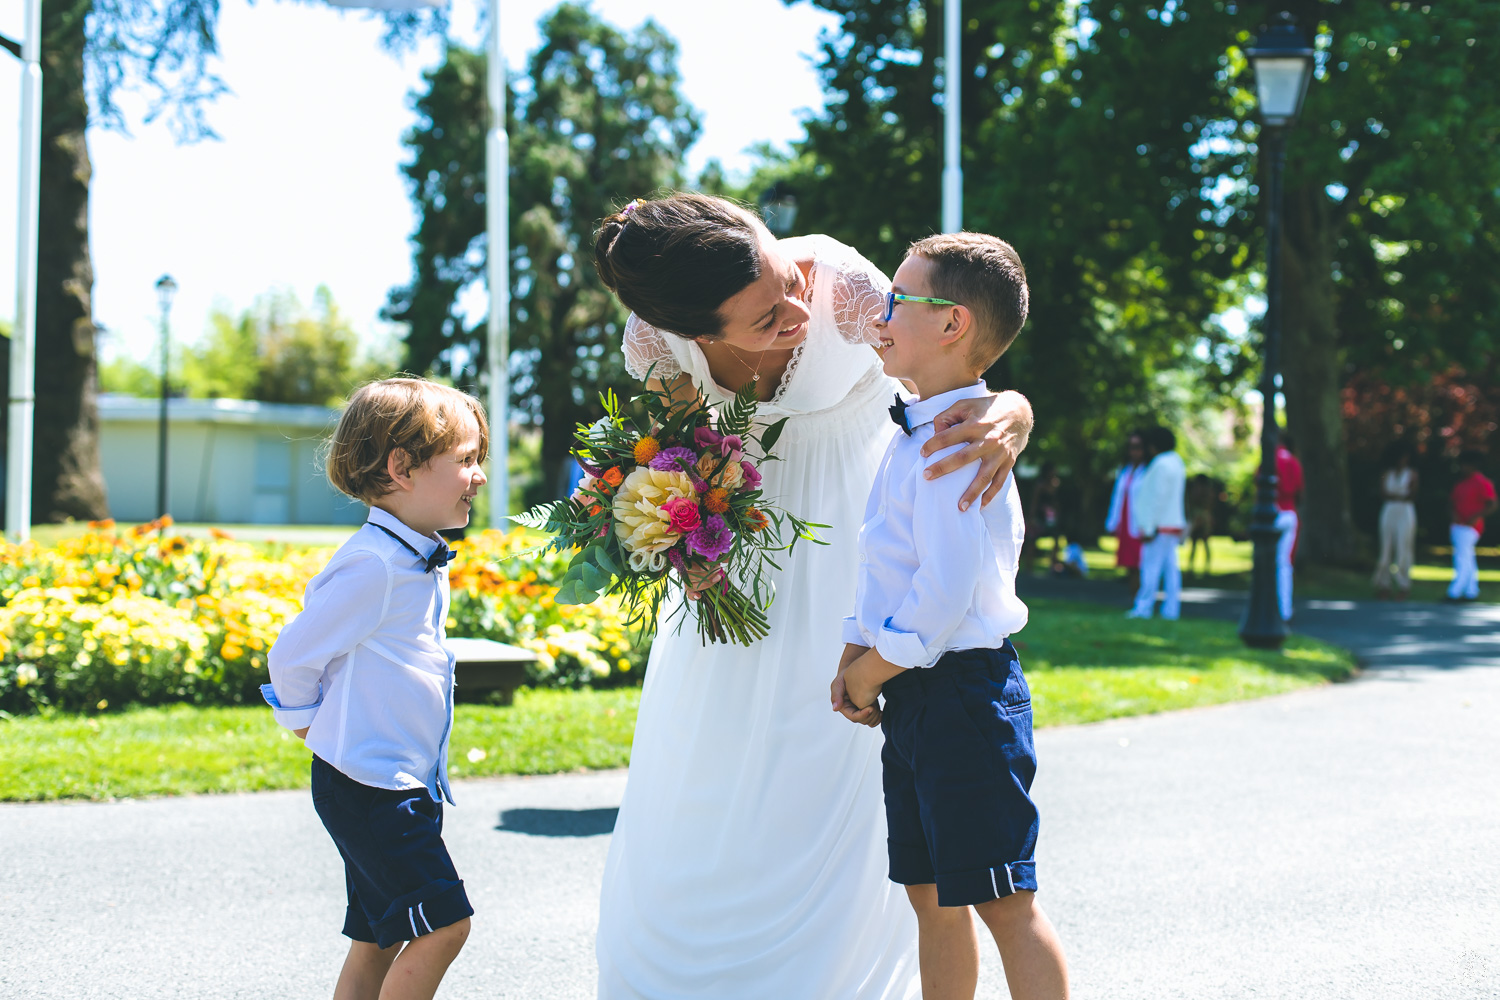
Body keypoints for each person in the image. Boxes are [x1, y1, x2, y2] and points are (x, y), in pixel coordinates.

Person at [591, 192, 1035, 999]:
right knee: (712, 759)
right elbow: (688, 453)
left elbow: (960, 360)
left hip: (855, 544)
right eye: (766, 318)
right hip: (741, 558)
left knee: (839, 762)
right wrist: (676, 534)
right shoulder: (657, 339)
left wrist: (1015, 410)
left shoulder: (847, 287)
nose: (796, 310)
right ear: (700, 331)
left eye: (787, 282)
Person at [835, 232, 1069, 1000]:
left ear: (951, 322)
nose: (880, 315)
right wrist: (854, 648)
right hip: (917, 691)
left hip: (963, 694)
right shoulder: (913, 428)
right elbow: (885, 560)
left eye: (897, 299)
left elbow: (945, 592)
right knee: (931, 899)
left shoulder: (960, 441)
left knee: (1004, 898)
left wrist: (871, 671)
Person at [261, 378, 487, 1000]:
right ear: (402, 467)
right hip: (370, 784)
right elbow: (293, 656)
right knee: (444, 925)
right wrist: (306, 722)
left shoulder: (413, 555)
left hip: (398, 778)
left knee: (381, 937)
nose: (479, 476)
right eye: (466, 460)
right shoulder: (375, 565)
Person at [1127, 427, 1187, 620]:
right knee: (1171, 571)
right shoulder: (1177, 462)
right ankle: (1171, 609)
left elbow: (1155, 498)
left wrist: (1148, 527)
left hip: (1158, 526)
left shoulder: (1160, 464)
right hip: (1172, 524)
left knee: (1150, 568)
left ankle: (1143, 607)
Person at [1447, 450, 1496, 602]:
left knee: (1462, 557)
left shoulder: (1482, 482)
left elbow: (1492, 503)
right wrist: (1454, 516)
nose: (1463, 468)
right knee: (1467, 558)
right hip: (1458, 525)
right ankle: (1471, 591)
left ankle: (1455, 591)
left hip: (1471, 527)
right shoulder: (1461, 484)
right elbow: (1452, 503)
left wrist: (1476, 516)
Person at [1372, 442, 1419, 599]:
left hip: (1405, 511)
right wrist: (1398, 496)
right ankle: (1383, 583)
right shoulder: (1387, 473)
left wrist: (1397, 496)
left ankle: (1403, 584)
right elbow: (1383, 493)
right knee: (1386, 547)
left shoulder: (1412, 474)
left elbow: (1412, 494)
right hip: (1389, 510)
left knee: (1403, 546)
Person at [1104, 433, 1146, 590]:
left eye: (1138, 447)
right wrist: (1112, 522)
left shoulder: (1148, 470)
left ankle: (1142, 598)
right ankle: (1134, 596)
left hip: (1140, 524)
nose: (1134, 452)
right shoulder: (1124, 470)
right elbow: (1117, 498)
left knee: (1142, 564)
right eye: (1131, 447)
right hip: (1126, 523)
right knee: (1130, 565)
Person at [1274, 434, 1304, 621]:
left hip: (1273, 513)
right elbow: (1300, 491)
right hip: (1289, 513)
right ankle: (1284, 609)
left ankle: (1270, 606)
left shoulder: (1270, 460)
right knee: (1284, 564)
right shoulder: (1294, 462)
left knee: (1268, 562)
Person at [1025, 462, 1063, 575]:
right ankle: (1029, 567)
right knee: (1032, 540)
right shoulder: (1040, 485)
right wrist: (1031, 518)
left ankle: (1053, 565)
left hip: (1050, 517)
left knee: (1056, 539)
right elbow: (1034, 502)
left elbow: (1057, 502)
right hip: (1039, 516)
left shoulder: (1056, 484)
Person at [1185, 473, 1216, 577]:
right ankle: (1193, 568)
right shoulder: (1205, 491)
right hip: (1201, 516)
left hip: (1201, 516)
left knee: (1202, 543)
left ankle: (1203, 568)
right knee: (1196, 543)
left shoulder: (1204, 491)